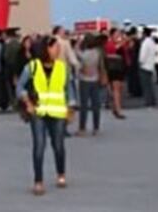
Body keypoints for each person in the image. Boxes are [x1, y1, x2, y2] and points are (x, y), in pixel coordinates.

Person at [17, 35, 76, 195]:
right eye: (54, 47)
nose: (58, 50)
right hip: (39, 112)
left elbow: (69, 89)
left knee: (58, 145)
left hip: (57, 112)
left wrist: (70, 109)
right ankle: (38, 181)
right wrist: (27, 102)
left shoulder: (63, 67)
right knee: (39, 146)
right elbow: (20, 86)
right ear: (45, 49)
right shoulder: (32, 67)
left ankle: (61, 173)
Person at [76, 34, 107, 135]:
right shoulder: (98, 52)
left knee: (84, 105)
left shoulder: (84, 54)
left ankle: (82, 128)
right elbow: (101, 66)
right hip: (95, 79)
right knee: (95, 105)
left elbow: (77, 56)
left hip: (84, 80)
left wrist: (78, 42)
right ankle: (96, 128)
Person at [104, 29, 127, 119]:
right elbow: (110, 52)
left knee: (119, 89)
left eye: (119, 34)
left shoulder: (122, 43)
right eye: (116, 34)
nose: (118, 36)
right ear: (112, 35)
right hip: (113, 68)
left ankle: (115, 106)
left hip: (120, 67)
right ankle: (118, 110)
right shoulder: (109, 43)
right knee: (116, 89)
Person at [138, 28, 158, 107]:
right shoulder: (152, 42)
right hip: (151, 65)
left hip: (144, 66)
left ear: (144, 34)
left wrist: (140, 62)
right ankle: (152, 100)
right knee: (150, 85)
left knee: (146, 86)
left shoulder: (145, 43)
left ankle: (148, 102)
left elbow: (142, 55)